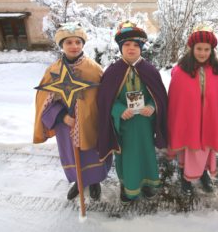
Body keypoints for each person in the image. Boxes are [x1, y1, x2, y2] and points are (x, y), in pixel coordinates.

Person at [33, 22, 112, 201]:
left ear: (83, 44)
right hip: (66, 125)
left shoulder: (93, 69)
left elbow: (104, 98)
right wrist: (61, 116)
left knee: (92, 152)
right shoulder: (53, 71)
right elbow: (44, 100)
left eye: (78, 42)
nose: (74, 46)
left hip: (90, 122)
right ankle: (79, 182)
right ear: (62, 46)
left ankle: (94, 182)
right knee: (72, 153)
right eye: (69, 43)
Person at [97, 21, 167, 204]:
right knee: (126, 157)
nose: (131, 49)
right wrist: (119, 110)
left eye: (136, 45)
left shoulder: (150, 70)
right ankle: (128, 185)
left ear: (141, 48)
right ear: (121, 47)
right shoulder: (112, 72)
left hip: (144, 124)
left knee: (146, 154)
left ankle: (146, 183)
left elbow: (159, 96)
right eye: (126, 45)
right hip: (124, 127)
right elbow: (104, 101)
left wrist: (152, 106)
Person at [167, 26, 218, 195]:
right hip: (189, 119)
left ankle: (203, 173)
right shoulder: (180, 72)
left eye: (206, 49)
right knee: (188, 146)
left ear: (212, 51)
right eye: (199, 49)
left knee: (206, 147)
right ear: (192, 49)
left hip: (209, 119)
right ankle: (185, 175)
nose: (202, 53)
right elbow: (176, 100)